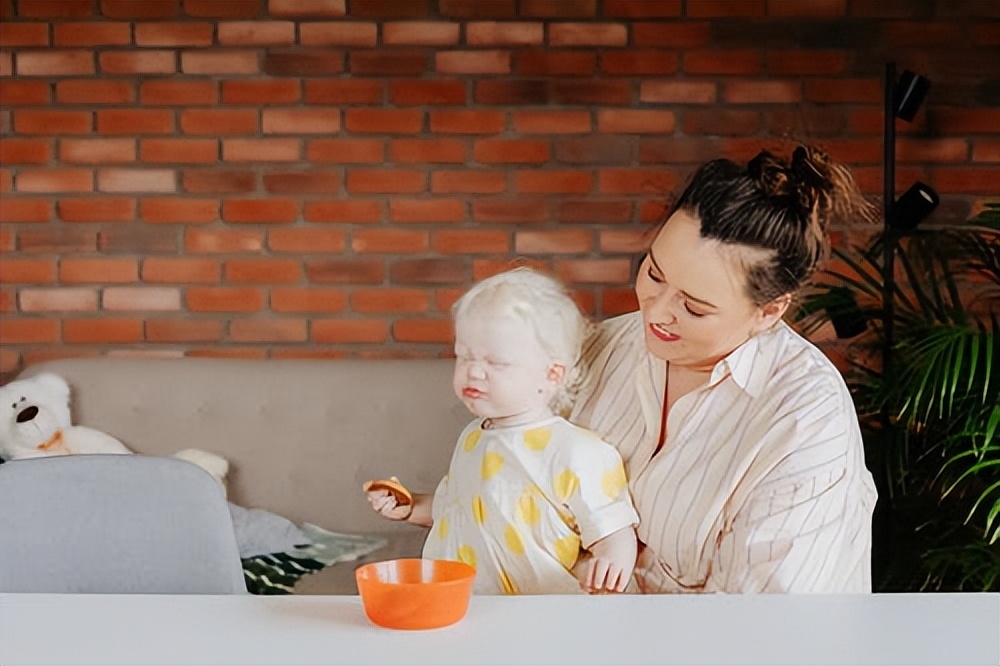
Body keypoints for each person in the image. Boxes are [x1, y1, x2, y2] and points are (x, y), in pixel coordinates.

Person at [569, 145, 878, 593]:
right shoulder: (606, 346)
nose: (655, 314)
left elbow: (761, 632)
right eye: (653, 274)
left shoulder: (805, 421)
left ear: (769, 311)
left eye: (693, 307)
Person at [364, 267, 639, 595]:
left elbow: (613, 526)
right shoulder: (473, 438)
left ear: (551, 375)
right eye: (464, 357)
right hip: (466, 605)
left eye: (496, 363)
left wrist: (611, 563)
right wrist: (410, 507)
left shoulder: (575, 451)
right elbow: (455, 507)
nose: (474, 371)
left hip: (540, 611)